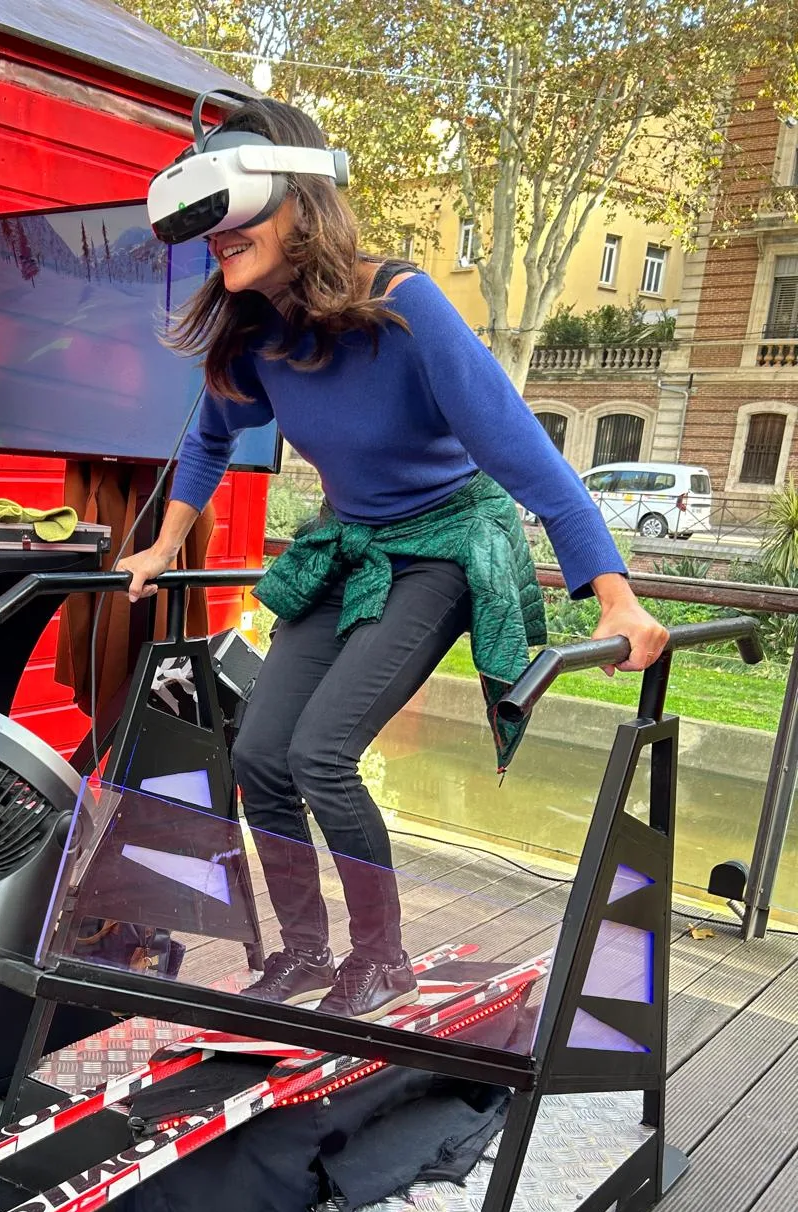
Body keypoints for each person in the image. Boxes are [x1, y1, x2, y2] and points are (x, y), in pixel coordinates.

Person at [119, 97, 667, 1023]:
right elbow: (210, 438)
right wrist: (164, 544)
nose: (219, 242)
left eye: (235, 213)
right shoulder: (255, 328)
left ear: (297, 199)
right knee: (260, 752)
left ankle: (383, 960)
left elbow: (520, 449)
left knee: (321, 754)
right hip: (352, 543)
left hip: (445, 543)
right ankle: (301, 955)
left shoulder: (403, 306)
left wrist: (614, 594)